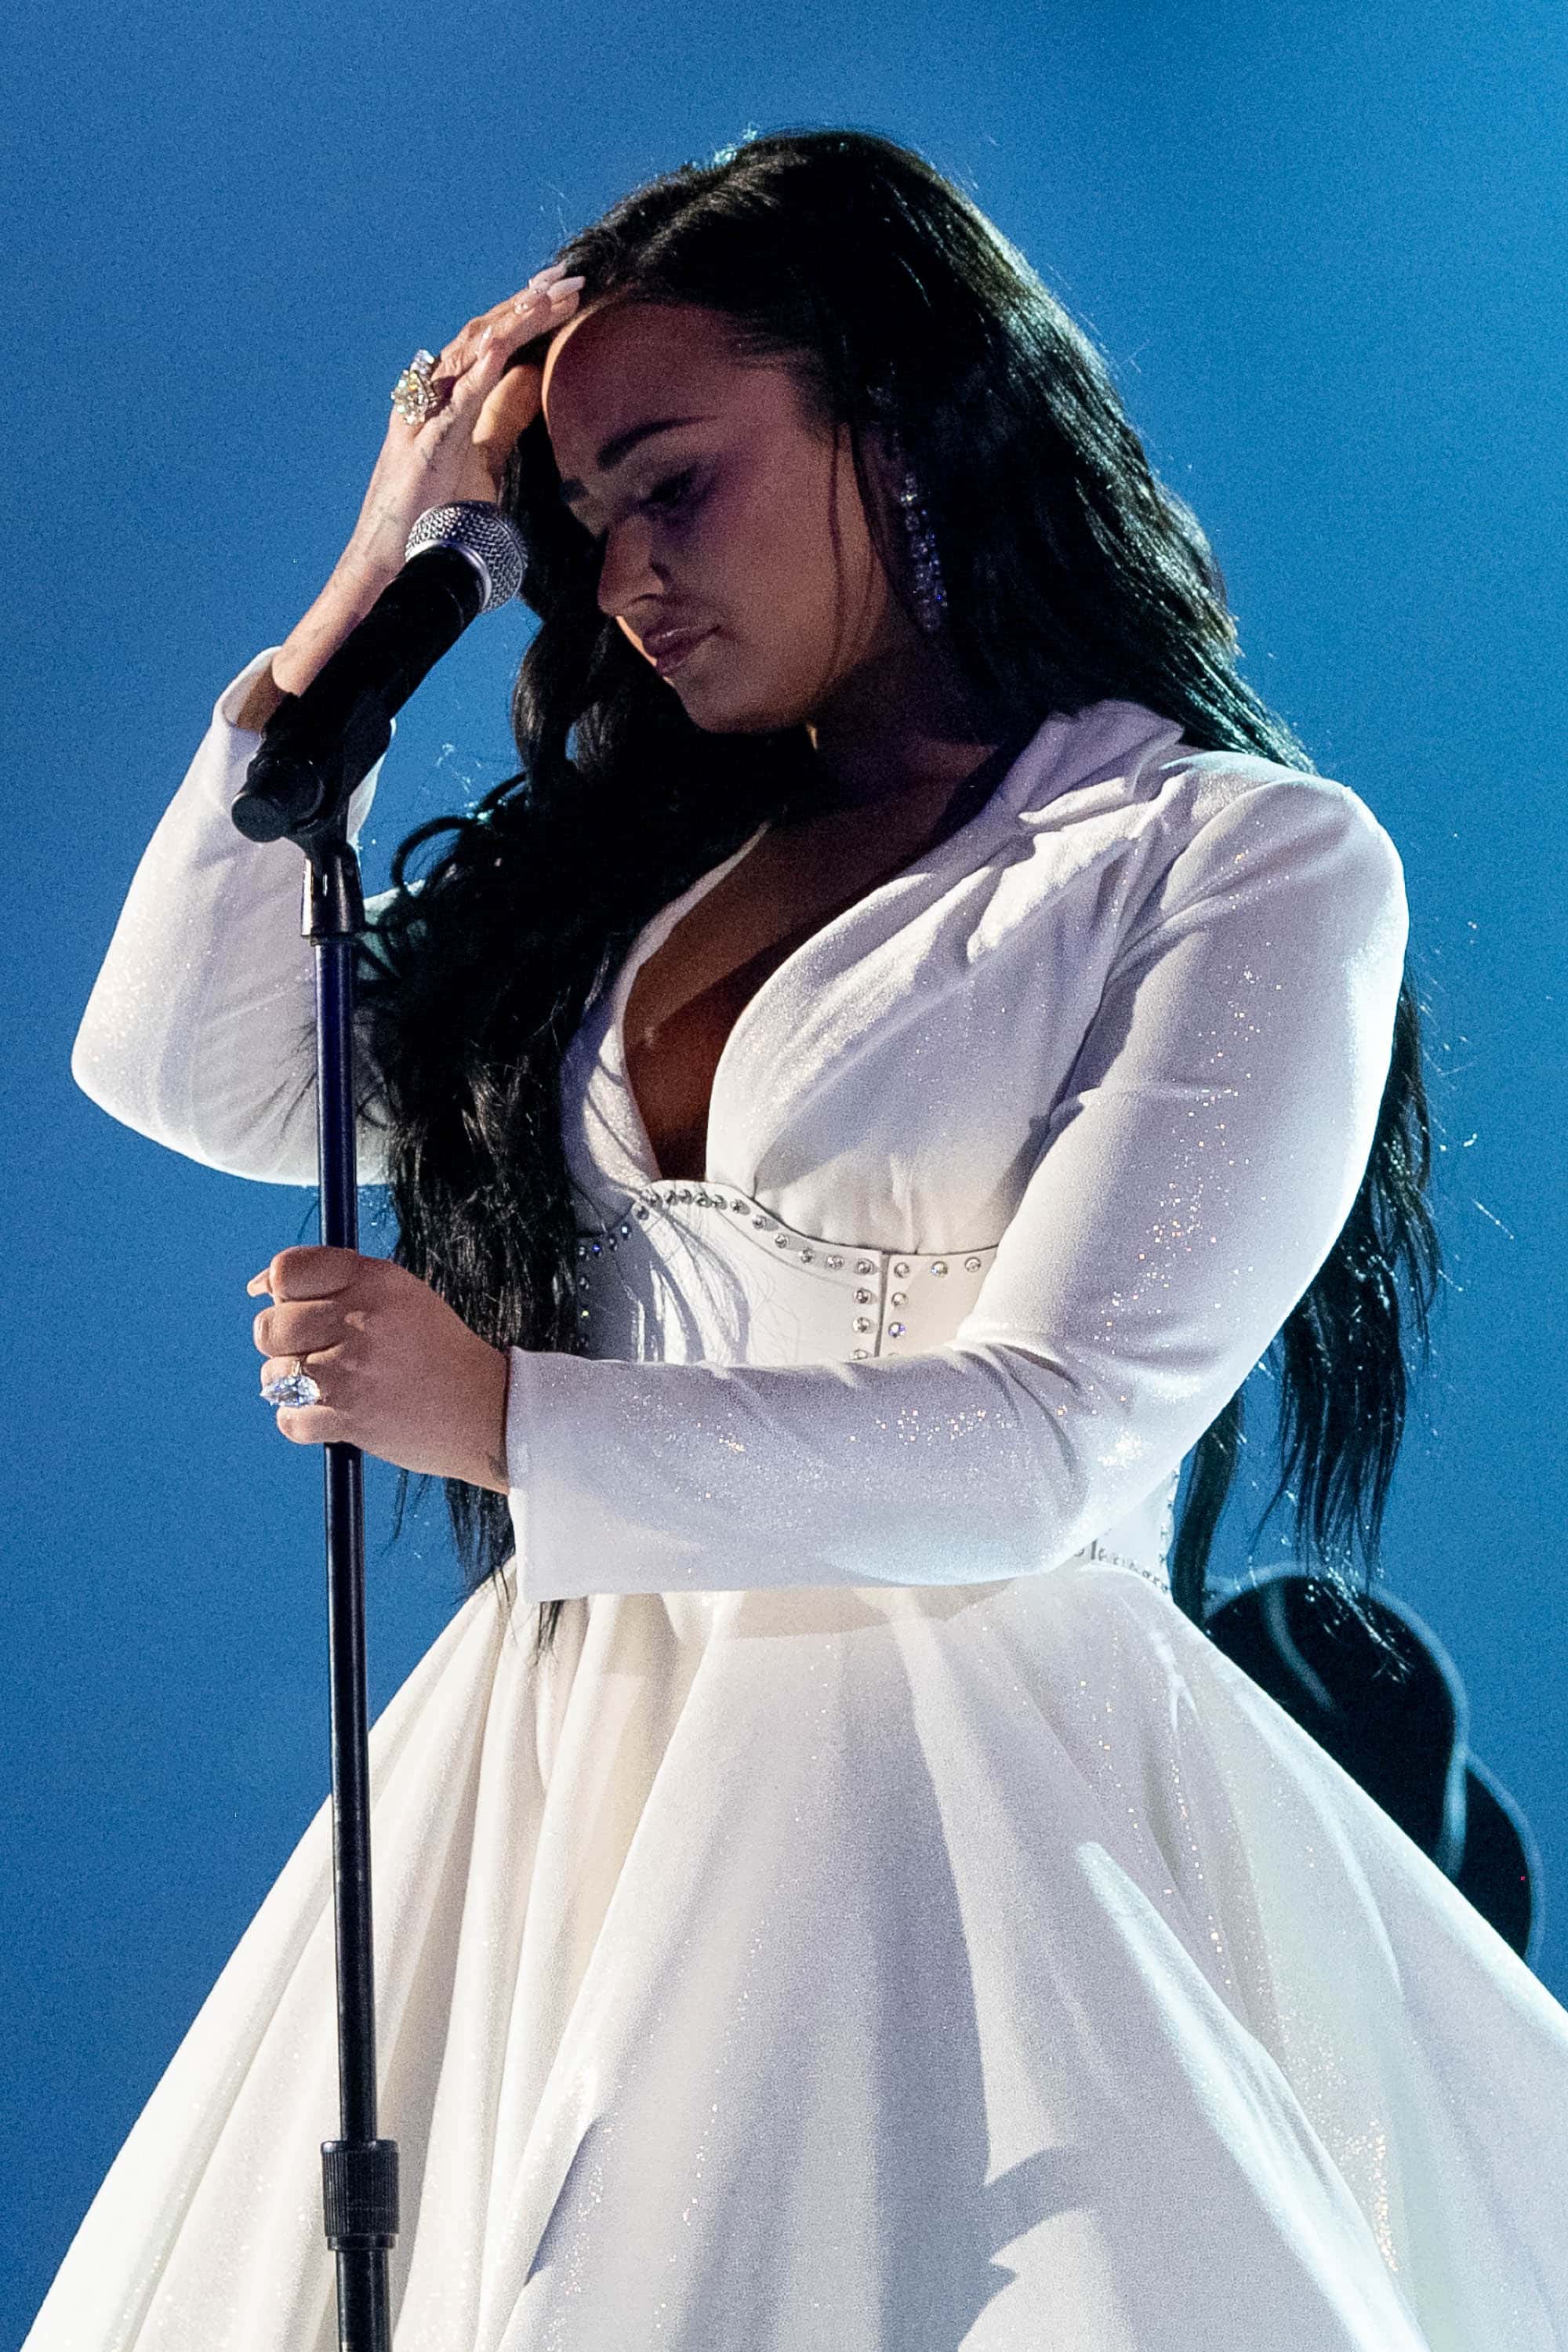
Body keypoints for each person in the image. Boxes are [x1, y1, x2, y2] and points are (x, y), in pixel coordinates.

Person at [27, 125, 1568, 2350]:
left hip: (964, 1799)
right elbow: (183, 1065)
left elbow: (1056, 1438)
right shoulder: (626, 887)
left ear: (905, 417)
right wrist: (378, 578)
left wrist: (504, 1414)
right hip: (556, 1774)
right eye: (583, 523)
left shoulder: (1229, 861)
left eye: (676, 485)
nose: (629, 577)